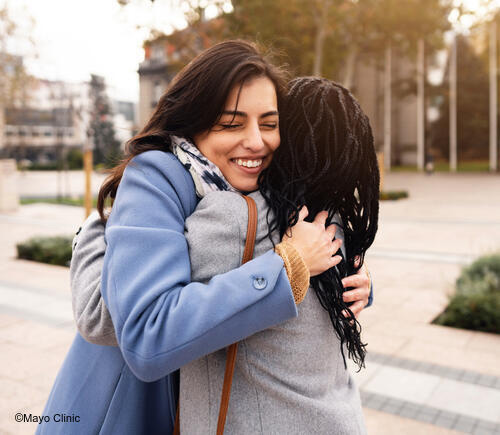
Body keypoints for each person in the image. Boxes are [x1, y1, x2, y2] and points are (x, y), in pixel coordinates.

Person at [37, 41, 359, 435]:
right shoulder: (159, 177)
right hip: (136, 411)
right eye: (231, 123)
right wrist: (285, 266)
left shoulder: (258, 181)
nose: (257, 140)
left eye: (270, 123)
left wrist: (351, 282)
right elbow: (142, 330)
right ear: (193, 121)